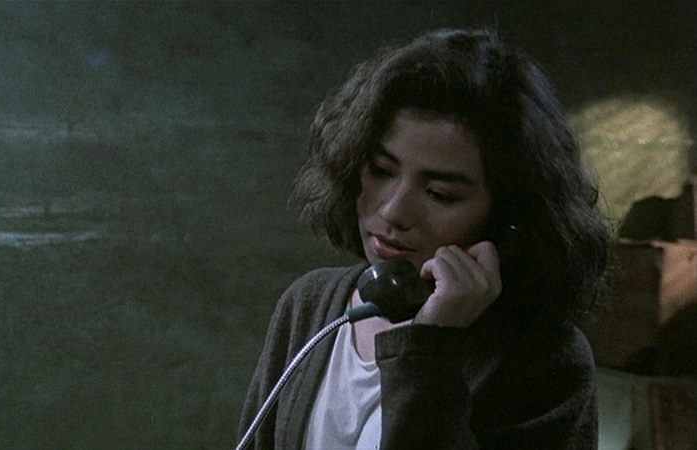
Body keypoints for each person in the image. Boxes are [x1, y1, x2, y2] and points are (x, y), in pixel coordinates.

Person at [238, 28, 610, 449]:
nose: (393, 212)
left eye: (440, 194)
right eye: (380, 171)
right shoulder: (309, 307)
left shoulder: (546, 363)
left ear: (508, 216)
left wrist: (430, 349)